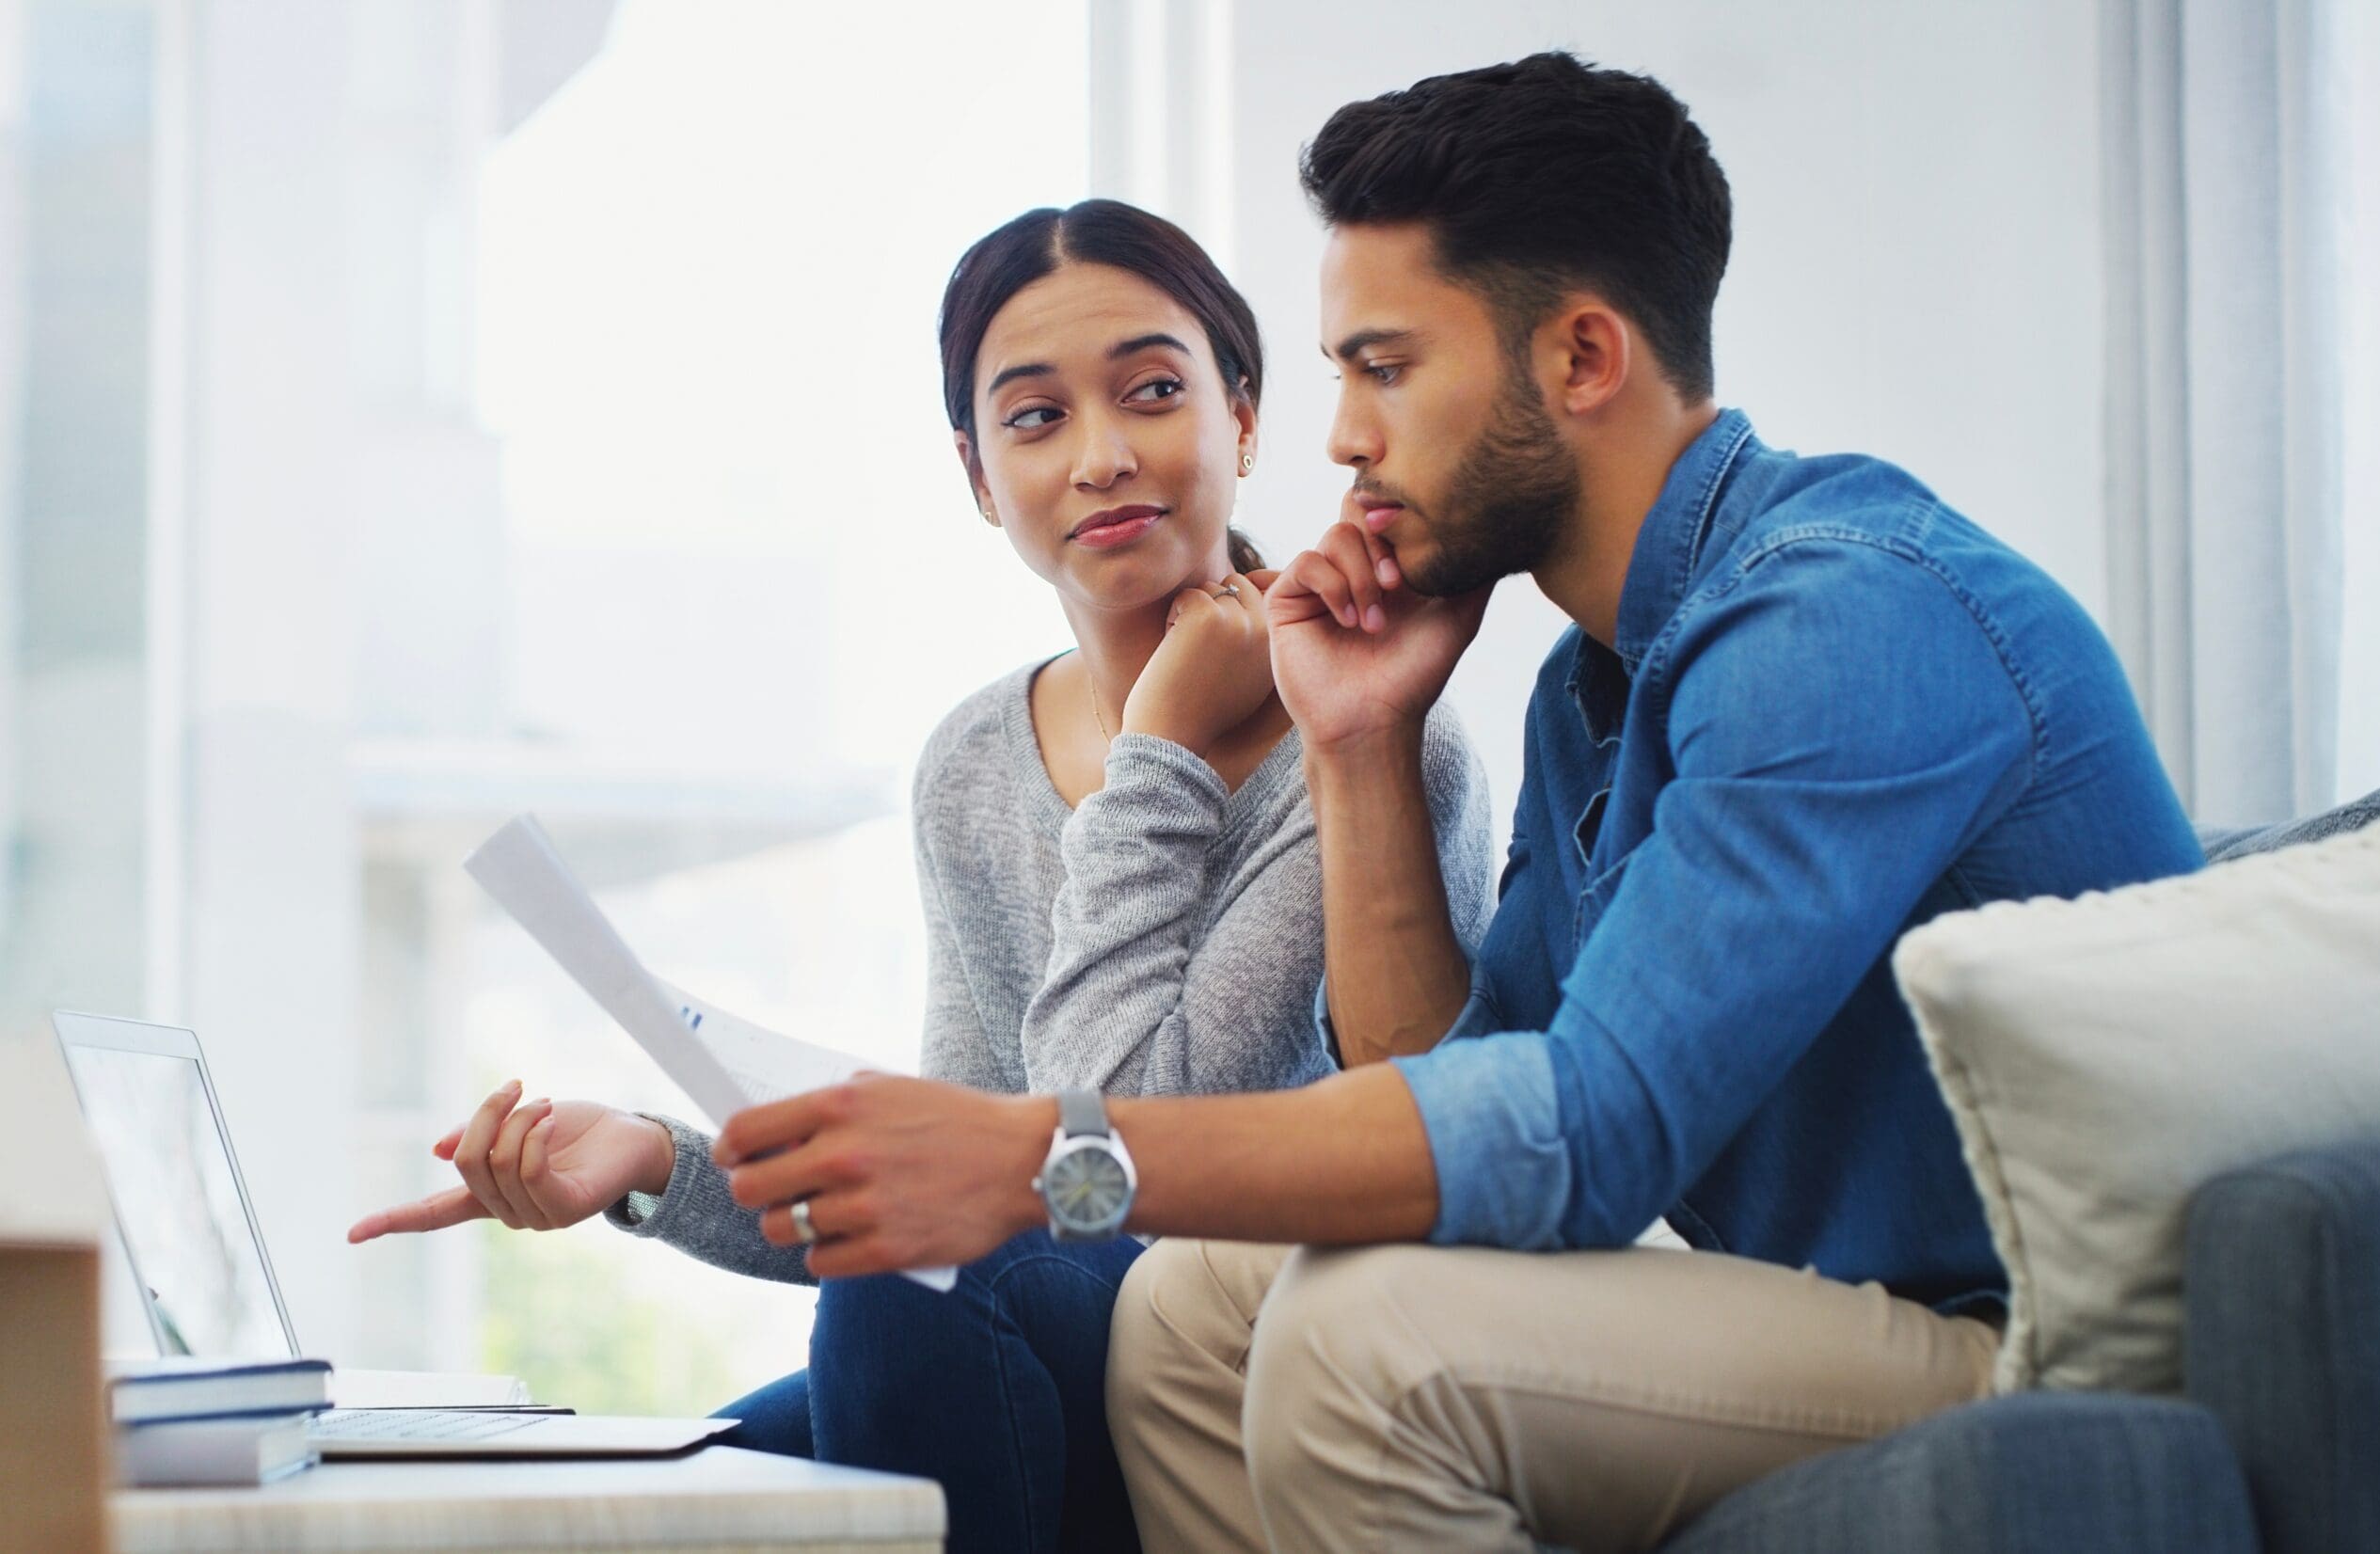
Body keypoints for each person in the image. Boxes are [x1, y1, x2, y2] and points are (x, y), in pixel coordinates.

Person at [695, 55, 2208, 1553]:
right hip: (1847, 1309)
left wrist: (1044, 1156)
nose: (1346, 436)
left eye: (1386, 366)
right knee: (1187, 1307)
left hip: (2049, 1341)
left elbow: (1589, 1135)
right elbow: (1452, 1077)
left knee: (1368, 1345)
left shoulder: (1841, 621)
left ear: (1583, 359)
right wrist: (1359, 739)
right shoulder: (1600, 687)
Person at [346, 198, 1495, 1554]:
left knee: (888, 1324)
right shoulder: (972, 765)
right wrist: (657, 1166)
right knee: (667, 1495)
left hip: (1254, 1350)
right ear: (975, 473)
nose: (1103, 457)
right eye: (1035, 418)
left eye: (1153, 392)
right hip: (1054, 1327)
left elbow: (1120, 1151)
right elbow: (965, 1186)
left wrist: (1160, 752)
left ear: (1242, 419)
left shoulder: (1366, 733)